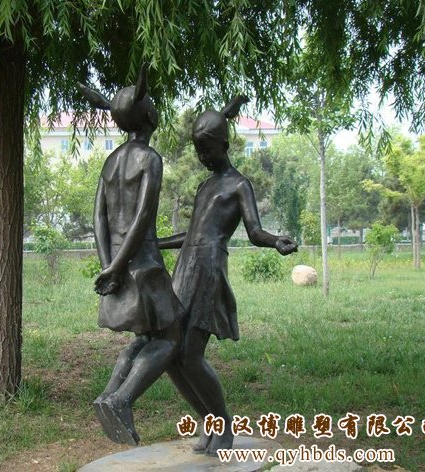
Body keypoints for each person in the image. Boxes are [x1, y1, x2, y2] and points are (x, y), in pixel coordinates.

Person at [159, 97, 297, 456]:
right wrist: (155, 242)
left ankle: (223, 424)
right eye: (198, 151)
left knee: (191, 354)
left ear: (224, 144)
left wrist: (276, 241)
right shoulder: (204, 187)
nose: (202, 157)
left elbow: (254, 231)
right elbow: (191, 233)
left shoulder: (239, 185)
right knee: (170, 354)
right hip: (184, 270)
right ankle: (208, 420)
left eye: (207, 149)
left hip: (209, 271)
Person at [79, 65, 183, 446]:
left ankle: (108, 395)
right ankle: (122, 399)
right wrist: (119, 265)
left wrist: (108, 265)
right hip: (143, 266)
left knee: (143, 338)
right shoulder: (149, 159)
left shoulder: (110, 162)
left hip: (119, 268)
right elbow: (141, 218)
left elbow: (99, 219)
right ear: (147, 115)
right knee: (171, 337)